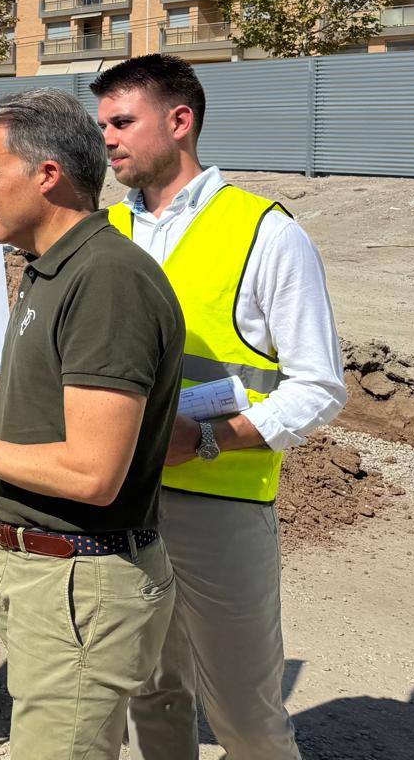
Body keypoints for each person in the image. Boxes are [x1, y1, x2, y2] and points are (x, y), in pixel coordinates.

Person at [0, 88, 184, 760]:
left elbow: (93, 472)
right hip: (56, 580)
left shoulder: (105, 282)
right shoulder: (51, 272)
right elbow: (71, 416)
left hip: (81, 584)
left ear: (48, 175)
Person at [92, 54, 345, 760]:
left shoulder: (265, 233)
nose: (107, 139)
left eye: (122, 122)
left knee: (246, 718)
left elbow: (319, 386)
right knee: (152, 694)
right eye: (102, 124)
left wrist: (206, 440)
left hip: (221, 511)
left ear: (180, 121)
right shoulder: (105, 231)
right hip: (122, 502)